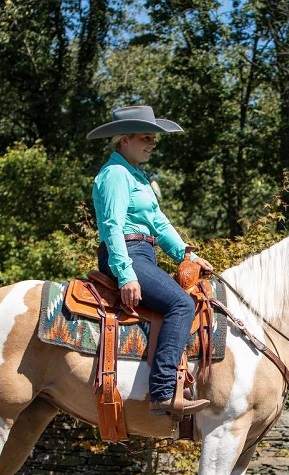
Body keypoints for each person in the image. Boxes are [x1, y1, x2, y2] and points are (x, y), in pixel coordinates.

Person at [87, 105, 212, 416]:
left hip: (144, 254)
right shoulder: (115, 174)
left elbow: (160, 225)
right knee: (181, 304)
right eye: (146, 137)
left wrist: (189, 256)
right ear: (124, 139)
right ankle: (163, 390)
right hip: (126, 254)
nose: (153, 143)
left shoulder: (138, 177)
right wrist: (125, 274)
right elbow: (114, 226)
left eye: (154, 138)